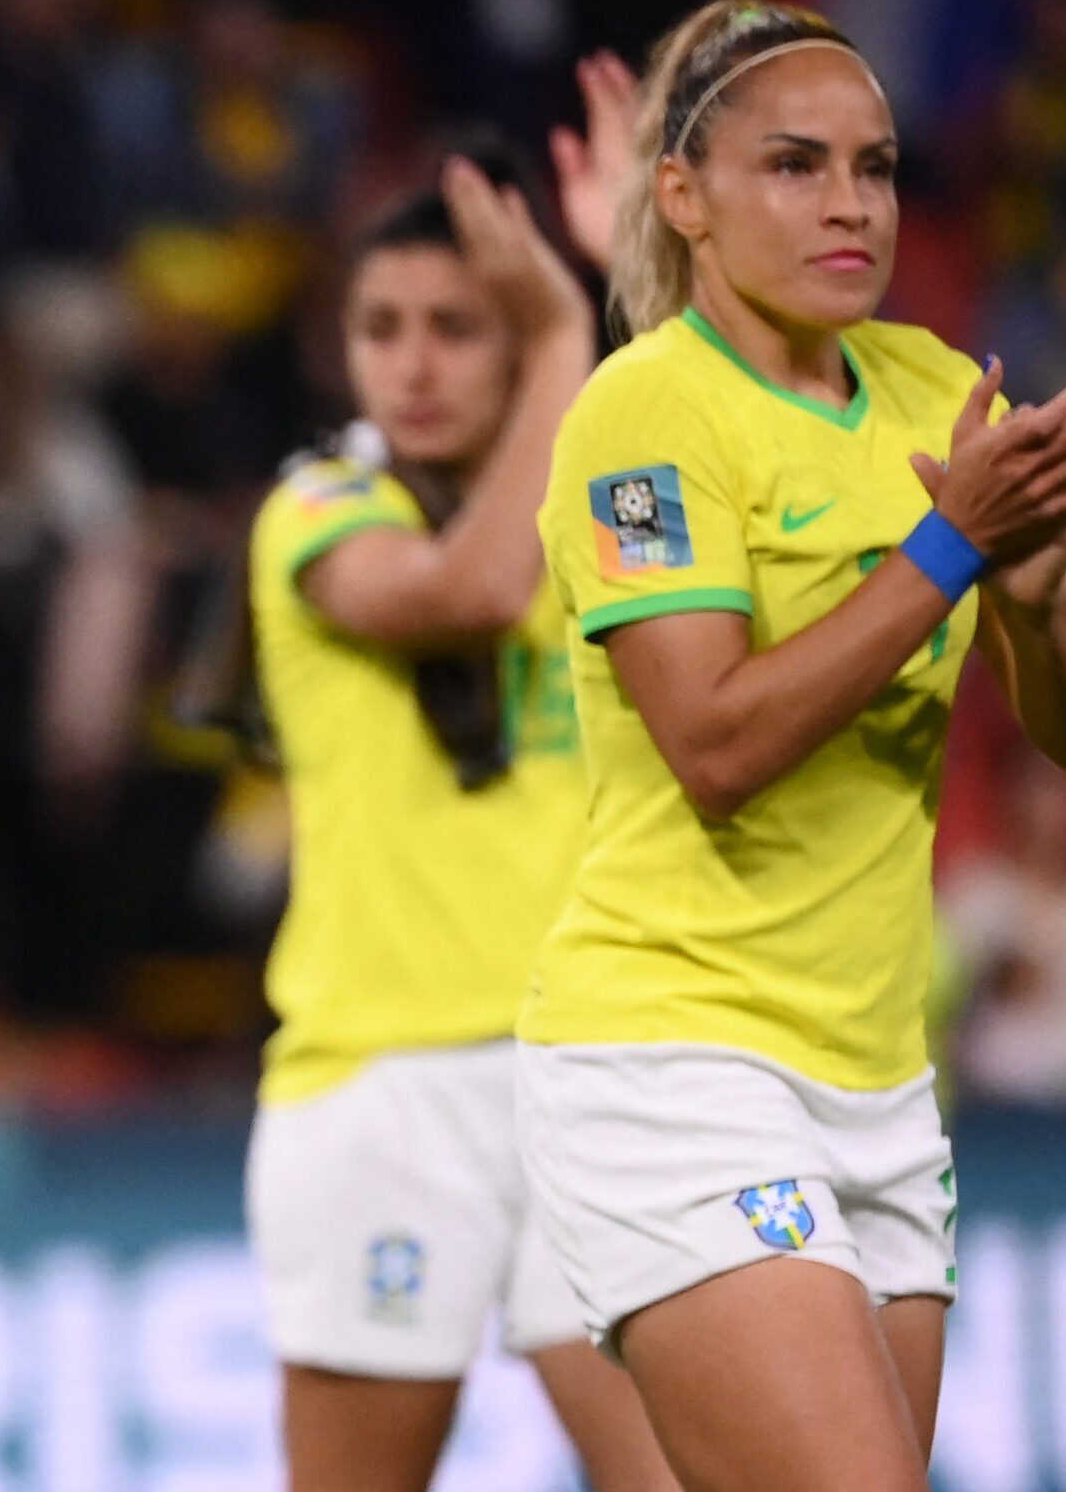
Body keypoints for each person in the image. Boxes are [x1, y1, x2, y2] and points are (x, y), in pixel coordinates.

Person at [521, 0, 1066, 1492]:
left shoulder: (933, 389)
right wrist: (946, 548)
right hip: (675, 1059)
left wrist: (1039, 602)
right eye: (794, 165)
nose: (850, 202)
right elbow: (715, 743)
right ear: (684, 198)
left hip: (876, 1081)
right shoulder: (643, 416)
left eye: (876, 164)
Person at [243, 137, 673, 1491]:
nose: (413, 364)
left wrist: (639, 282)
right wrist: (561, 329)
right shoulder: (317, 509)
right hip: (386, 1087)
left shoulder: (609, 511)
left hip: (586, 1072)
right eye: (381, 329)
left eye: (455, 327)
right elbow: (467, 596)